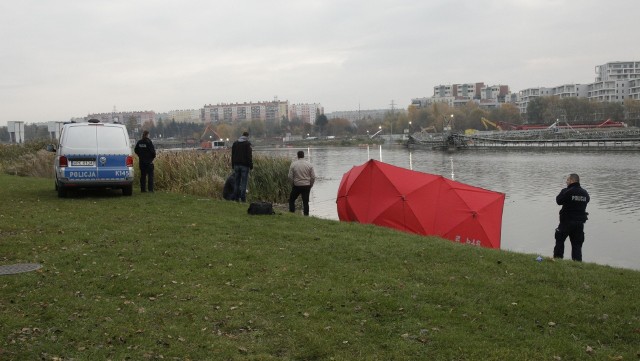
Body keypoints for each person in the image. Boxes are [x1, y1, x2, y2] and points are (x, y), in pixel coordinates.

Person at [553, 173, 590, 261]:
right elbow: (587, 200)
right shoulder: (585, 193)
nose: (566, 182)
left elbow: (558, 201)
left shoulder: (566, 191)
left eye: (567, 180)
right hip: (579, 223)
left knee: (560, 241)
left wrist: (563, 191)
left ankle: (558, 260)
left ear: (572, 181)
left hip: (566, 222)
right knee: (577, 245)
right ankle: (577, 263)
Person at [288, 150, 316, 216]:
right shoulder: (309, 164)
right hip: (306, 185)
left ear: (297, 156)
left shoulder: (293, 164)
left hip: (297, 185)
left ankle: (292, 213)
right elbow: (313, 177)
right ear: (304, 156)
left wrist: (293, 184)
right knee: (305, 202)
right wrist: (311, 184)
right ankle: (306, 215)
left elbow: (289, 176)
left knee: (291, 200)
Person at [231, 131, 253, 202]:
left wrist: (232, 165)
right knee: (244, 182)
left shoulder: (235, 143)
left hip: (236, 165)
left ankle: (236, 198)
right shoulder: (247, 144)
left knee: (237, 182)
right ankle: (243, 198)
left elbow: (233, 155)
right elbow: (249, 156)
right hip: (244, 166)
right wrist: (251, 165)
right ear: (247, 136)